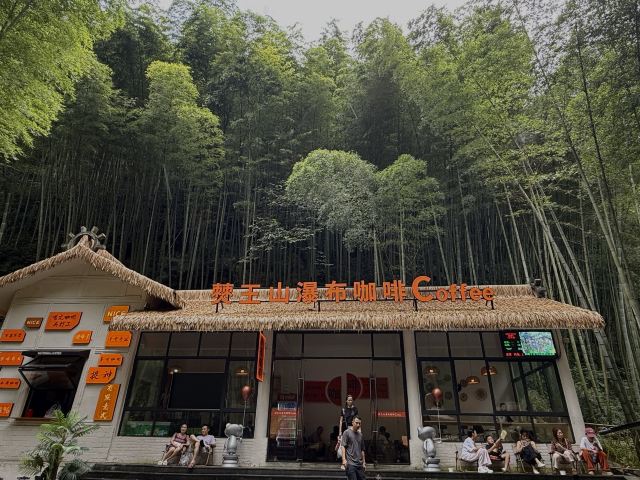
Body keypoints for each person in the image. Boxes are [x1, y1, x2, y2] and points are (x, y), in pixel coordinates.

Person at [341, 416, 366, 480]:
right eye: (356, 423)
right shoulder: (346, 432)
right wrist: (344, 459)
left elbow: (362, 449)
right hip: (351, 464)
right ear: (352, 422)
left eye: (359, 423)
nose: (358, 425)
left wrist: (364, 462)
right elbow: (343, 446)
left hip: (359, 464)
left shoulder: (360, 435)